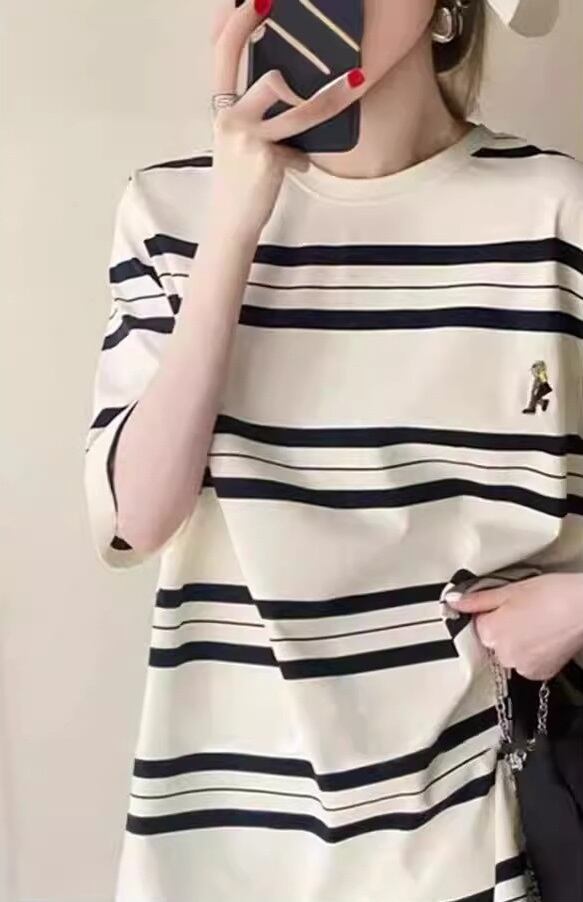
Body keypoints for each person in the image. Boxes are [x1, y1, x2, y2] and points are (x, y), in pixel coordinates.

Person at [84, 1, 583, 899]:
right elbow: (137, 517)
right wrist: (234, 220)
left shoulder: (556, 211)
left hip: (475, 833)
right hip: (221, 832)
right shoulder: (170, 209)